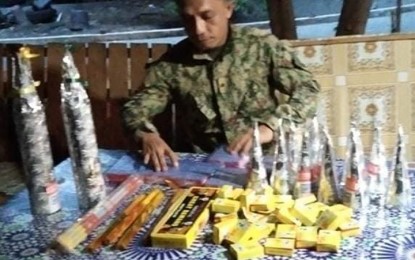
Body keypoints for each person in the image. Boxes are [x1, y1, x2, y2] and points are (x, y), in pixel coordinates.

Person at [122, 0, 320, 172]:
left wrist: (271, 126)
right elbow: (134, 109)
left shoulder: (262, 47)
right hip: (207, 168)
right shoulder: (172, 64)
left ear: (228, 9)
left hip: (267, 162)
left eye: (207, 16)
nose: (198, 29)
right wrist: (145, 133)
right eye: (188, 20)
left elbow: (308, 89)